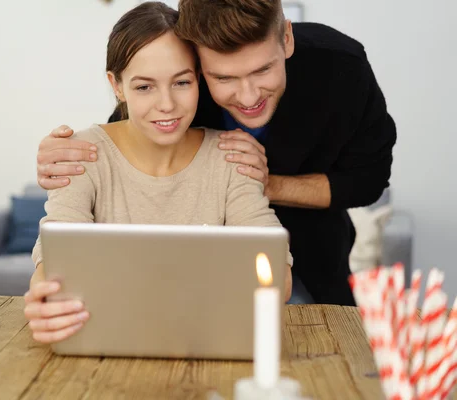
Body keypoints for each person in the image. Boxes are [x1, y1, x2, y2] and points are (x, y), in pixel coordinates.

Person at [35, 0, 397, 307]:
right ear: (196, 60)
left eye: (263, 69)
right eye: (222, 78)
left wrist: (266, 184)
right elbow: (128, 137)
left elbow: (367, 182)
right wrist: (65, 156)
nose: (249, 96)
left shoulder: (341, 67)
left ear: (286, 38)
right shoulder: (180, 89)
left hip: (314, 253)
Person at [24, 2, 293, 345]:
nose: (166, 104)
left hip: (205, 342)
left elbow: (278, 275)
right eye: (144, 87)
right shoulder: (82, 153)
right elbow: (53, 257)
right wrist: (44, 299)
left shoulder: (230, 156)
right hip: (105, 346)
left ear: (199, 77)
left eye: (181, 82)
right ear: (117, 86)